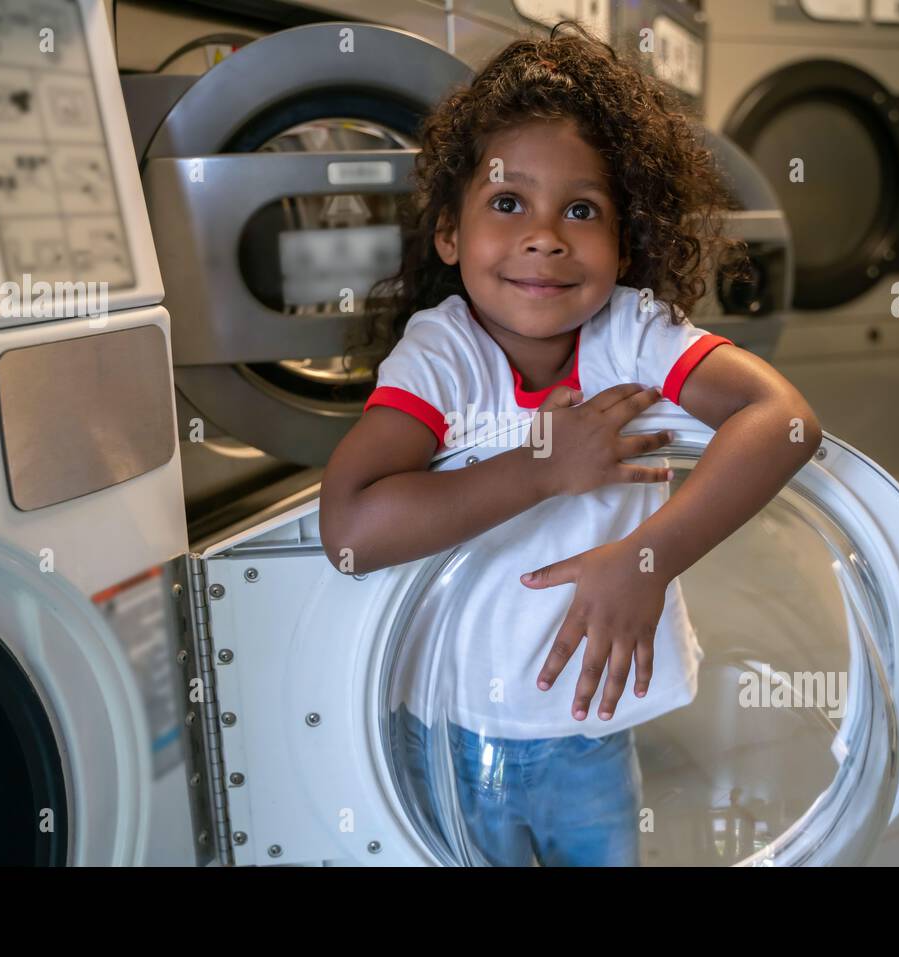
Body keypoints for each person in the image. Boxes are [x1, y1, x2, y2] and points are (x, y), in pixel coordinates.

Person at [319, 23, 822, 866]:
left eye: (581, 210)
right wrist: (543, 467)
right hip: (451, 729)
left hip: (592, 737)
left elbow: (788, 421)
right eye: (508, 202)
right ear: (450, 233)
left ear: (623, 243)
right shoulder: (443, 354)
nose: (545, 236)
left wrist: (647, 559)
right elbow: (352, 532)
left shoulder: (633, 335)